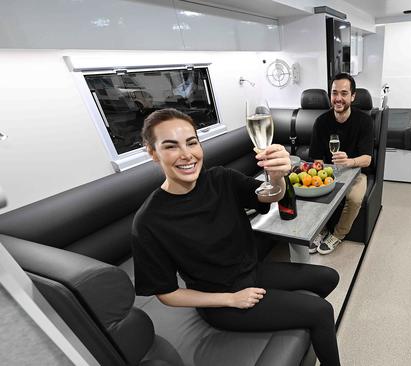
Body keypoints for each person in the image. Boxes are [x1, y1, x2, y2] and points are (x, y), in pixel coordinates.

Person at [131, 108, 341, 366]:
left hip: (252, 272)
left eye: (192, 142)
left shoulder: (221, 178)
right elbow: (167, 294)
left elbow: (269, 195)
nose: (187, 154)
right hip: (221, 302)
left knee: (329, 277)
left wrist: (277, 176)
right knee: (321, 311)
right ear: (153, 153)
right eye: (171, 146)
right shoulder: (149, 221)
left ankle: (301, 323)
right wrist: (231, 299)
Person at [309, 73, 373, 255]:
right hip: (328, 171)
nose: (338, 98)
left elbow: (367, 159)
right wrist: (320, 177)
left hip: (355, 171)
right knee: (313, 191)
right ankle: (320, 231)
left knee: (354, 199)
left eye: (344, 93)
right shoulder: (321, 122)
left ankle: (337, 235)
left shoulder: (364, 121)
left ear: (352, 96)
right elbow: (317, 158)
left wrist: (349, 161)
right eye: (334, 93)